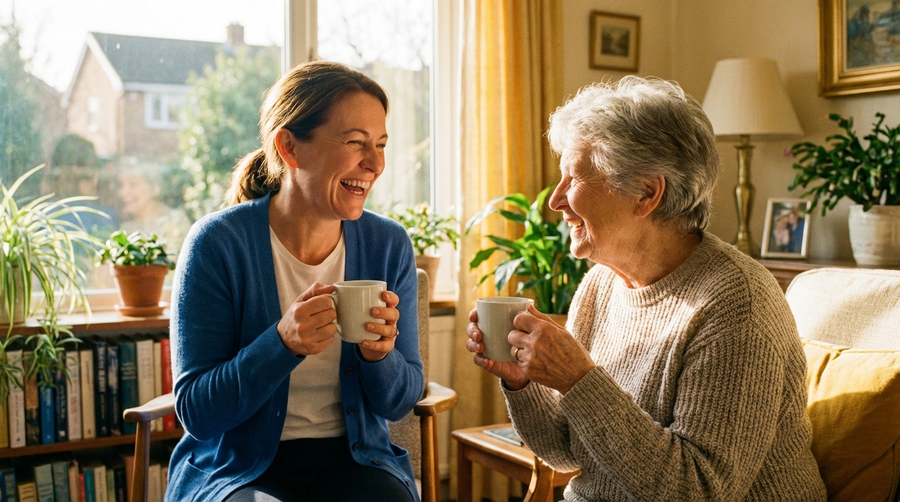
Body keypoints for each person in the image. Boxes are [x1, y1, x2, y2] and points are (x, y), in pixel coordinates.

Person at [465, 77, 827, 501]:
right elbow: (566, 453)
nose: (556, 200)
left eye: (574, 179)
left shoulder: (737, 303)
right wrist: (522, 383)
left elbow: (697, 490)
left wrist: (579, 379)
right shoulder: (601, 284)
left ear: (647, 193)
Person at [166, 61, 423, 502]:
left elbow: (399, 402)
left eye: (380, 144)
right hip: (239, 468)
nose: (376, 163)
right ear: (289, 147)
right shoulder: (217, 244)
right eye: (355, 143)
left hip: (356, 462)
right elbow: (197, 412)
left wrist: (380, 356)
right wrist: (281, 344)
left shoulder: (388, 244)